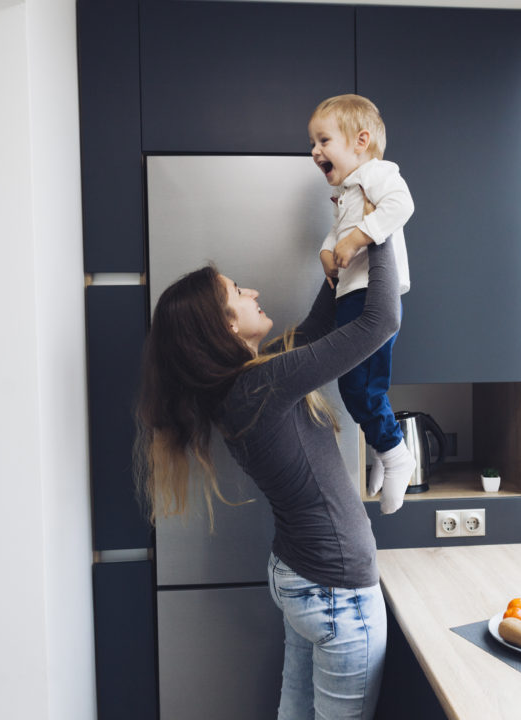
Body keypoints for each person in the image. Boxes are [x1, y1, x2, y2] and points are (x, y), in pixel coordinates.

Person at [134, 220, 402, 719]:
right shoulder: (263, 385)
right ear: (227, 326)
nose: (252, 290)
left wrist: (338, 264)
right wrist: (379, 226)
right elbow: (380, 322)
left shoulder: (247, 384)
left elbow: (318, 331)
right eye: (237, 291)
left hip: (302, 578)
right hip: (333, 592)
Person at [309, 93, 415, 514]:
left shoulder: (378, 173)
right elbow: (339, 231)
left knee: (360, 385)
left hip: (374, 292)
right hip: (353, 291)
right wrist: (328, 248)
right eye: (312, 144)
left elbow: (401, 206)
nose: (315, 152)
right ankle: (383, 450)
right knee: (355, 384)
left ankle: (395, 454)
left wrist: (357, 237)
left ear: (360, 141)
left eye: (323, 140)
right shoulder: (352, 188)